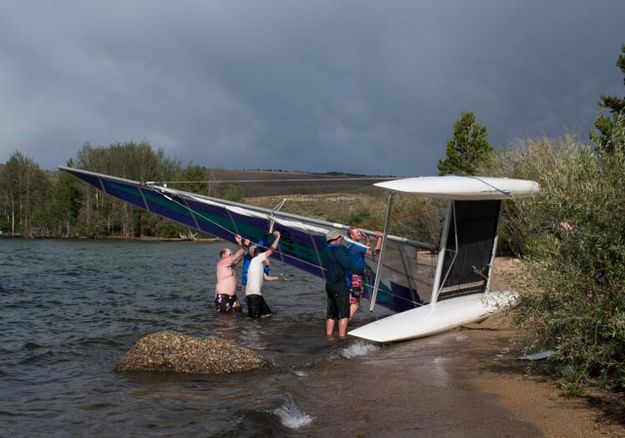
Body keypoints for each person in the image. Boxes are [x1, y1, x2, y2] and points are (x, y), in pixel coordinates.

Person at [321, 230, 363, 338]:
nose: (341, 239)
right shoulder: (338, 250)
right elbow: (347, 264)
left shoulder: (325, 250)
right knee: (344, 314)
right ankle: (342, 338)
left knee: (331, 313)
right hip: (340, 285)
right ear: (335, 239)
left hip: (329, 285)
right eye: (340, 237)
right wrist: (360, 270)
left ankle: (329, 336)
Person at [245, 231, 286, 318]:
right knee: (253, 320)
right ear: (261, 254)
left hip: (258, 295)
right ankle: (250, 331)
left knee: (267, 315)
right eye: (265, 256)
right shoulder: (256, 259)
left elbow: (266, 278)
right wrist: (278, 236)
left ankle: (263, 331)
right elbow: (272, 249)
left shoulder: (258, 265)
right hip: (253, 295)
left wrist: (278, 277)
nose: (267, 258)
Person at [346, 227, 383, 319]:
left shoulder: (350, 245)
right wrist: (379, 238)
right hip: (356, 279)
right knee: (355, 304)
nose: (360, 233)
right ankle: (344, 323)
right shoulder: (357, 246)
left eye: (360, 232)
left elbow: (364, 251)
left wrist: (367, 239)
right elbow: (375, 252)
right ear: (351, 235)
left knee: (349, 302)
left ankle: (342, 321)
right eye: (357, 232)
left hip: (348, 277)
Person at [214, 234, 248, 313]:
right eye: (229, 254)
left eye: (232, 254)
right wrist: (245, 245)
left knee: (239, 315)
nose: (231, 255)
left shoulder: (231, 264)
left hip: (233, 297)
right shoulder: (222, 262)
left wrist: (239, 242)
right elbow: (237, 255)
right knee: (225, 320)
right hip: (223, 296)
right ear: (223, 255)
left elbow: (241, 255)